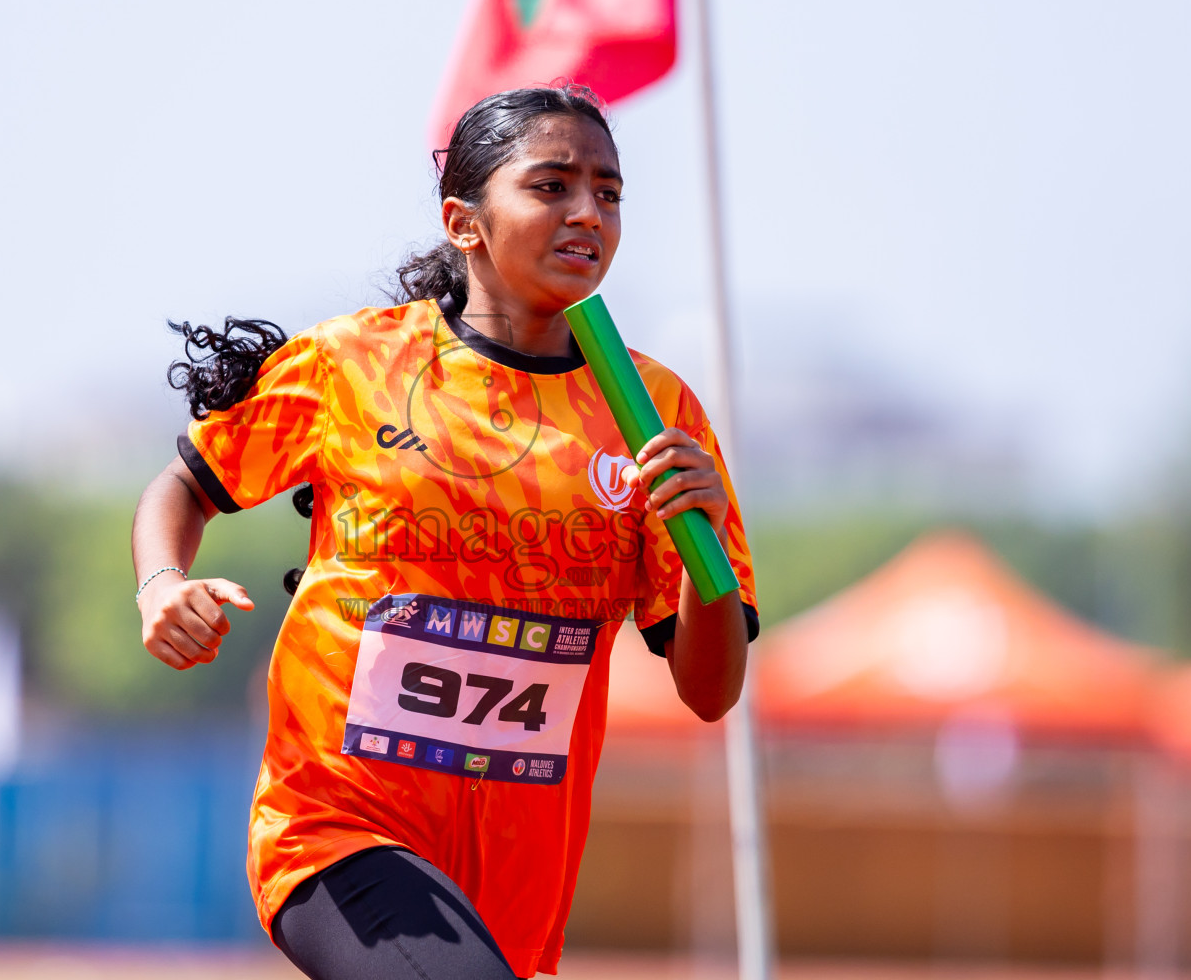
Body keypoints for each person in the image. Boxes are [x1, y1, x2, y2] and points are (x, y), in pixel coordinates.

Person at [130, 84, 758, 980]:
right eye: (552, 186)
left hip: (515, 888)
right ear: (464, 222)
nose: (589, 213)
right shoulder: (354, 365)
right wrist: (161, 585)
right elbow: (184, 486)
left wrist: (701, 551)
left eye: (610, 193)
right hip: (335, 828)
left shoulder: (659, 413)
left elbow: (711, 689)